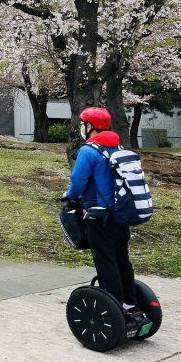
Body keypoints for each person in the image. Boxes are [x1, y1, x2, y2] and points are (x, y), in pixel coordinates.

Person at [63, 107, 149, 326]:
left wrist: (68, 195)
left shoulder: (88, 151)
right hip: (120, 215)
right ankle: (129, 304)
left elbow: (78, 182)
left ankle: (116, 308)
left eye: (82, 124)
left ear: (90, 126)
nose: (81, 128)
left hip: (98, 217)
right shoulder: (117, 147)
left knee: (106, 263)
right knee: (122, 260)